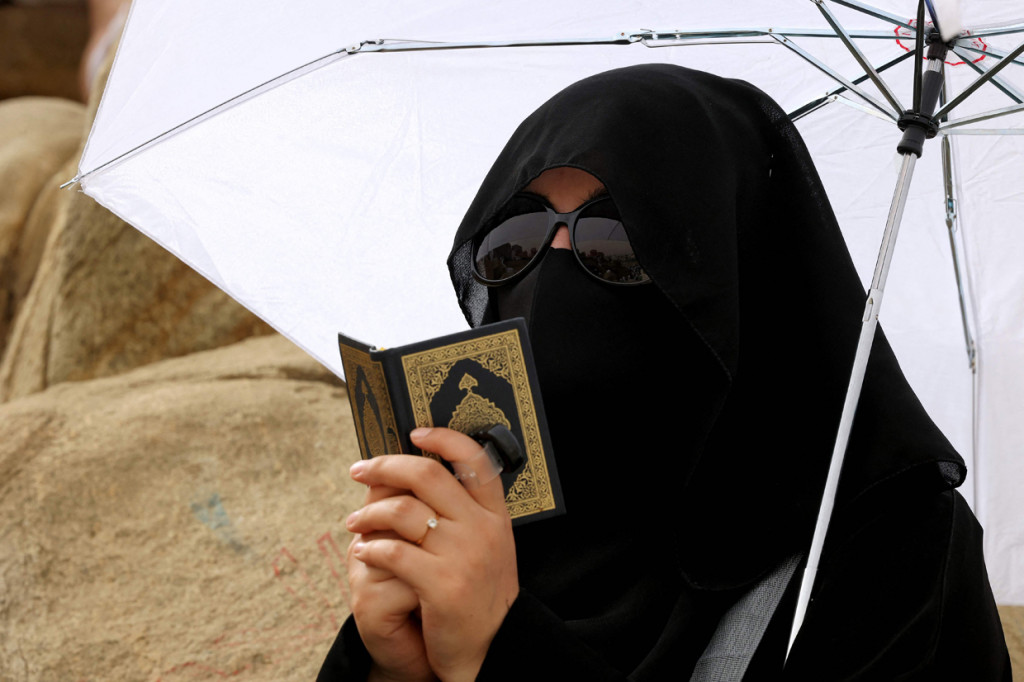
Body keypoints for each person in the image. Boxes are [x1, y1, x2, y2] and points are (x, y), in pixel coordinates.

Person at [318, 64, 1011, 681]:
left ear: (743, 270)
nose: (555, 273)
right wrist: (391, 669)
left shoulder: (894, 547)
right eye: (516, 238)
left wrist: (501, 649)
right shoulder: (484, 514)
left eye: (619, 240)